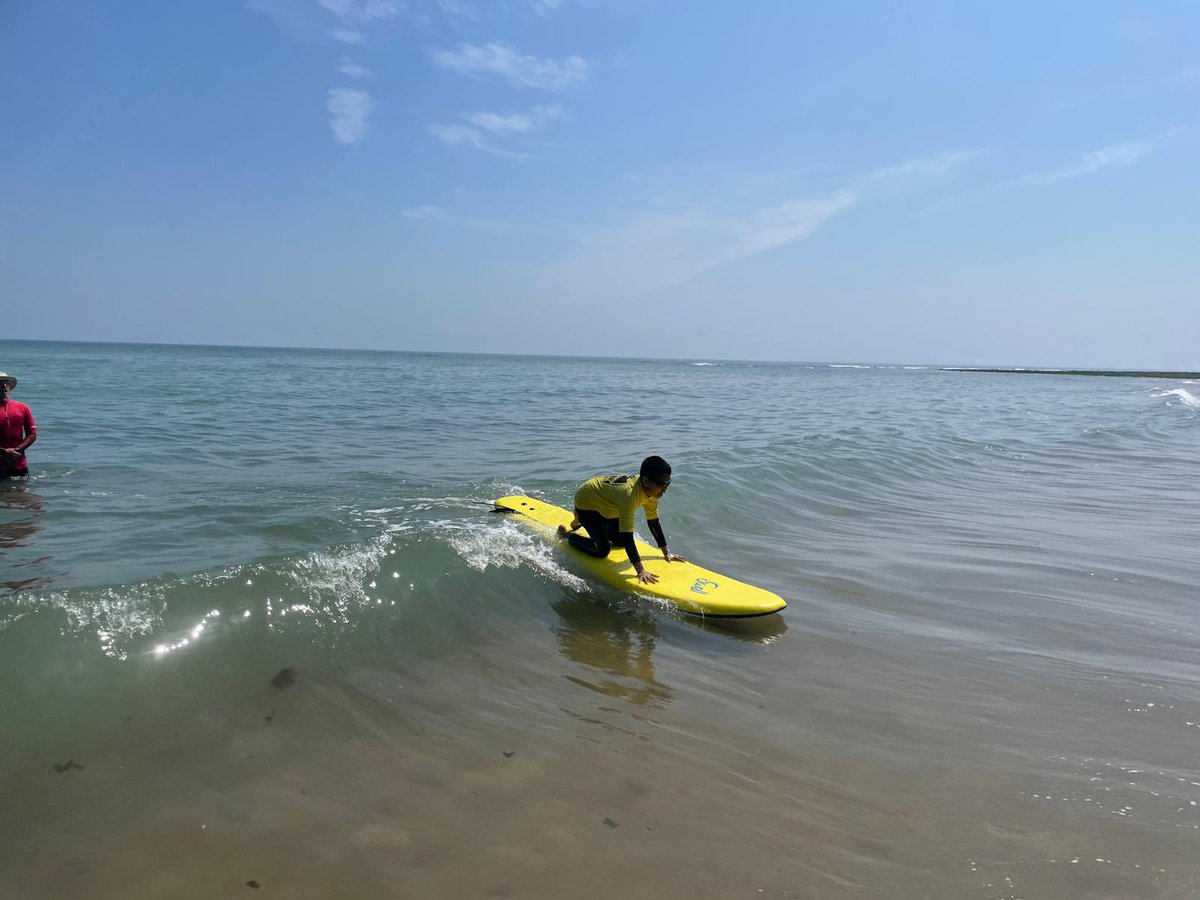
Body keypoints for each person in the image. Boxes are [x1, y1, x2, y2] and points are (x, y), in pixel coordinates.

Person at [557, 455, 685, 585]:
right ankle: (568, 535)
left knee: (621, 542)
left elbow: (653, 523)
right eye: (662, 484)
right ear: (646, 481)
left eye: (668, 483)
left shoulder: (652, 494)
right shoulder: (629, 496)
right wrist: (640, 570)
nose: (665, 488)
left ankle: (593, 523)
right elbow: (627, 535)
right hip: (586, 501)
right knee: (602, 551)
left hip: (608, 504)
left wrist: (666, 553)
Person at [0, 372, 37, 479]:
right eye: (0, 383)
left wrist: (17, 450)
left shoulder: (22, 407)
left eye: (6, 382)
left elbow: (32, 434)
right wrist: (4, 452)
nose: (4, 385)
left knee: (21, 489)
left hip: (18, 463)